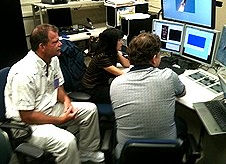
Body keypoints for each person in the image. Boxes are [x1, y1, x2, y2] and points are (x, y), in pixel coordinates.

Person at [4, 24, 104, 164]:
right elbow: (27, 115)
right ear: (42, 46)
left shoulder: (53, 59)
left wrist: (67, 101)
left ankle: (87, 152)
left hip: (49, 108)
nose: (60, 44)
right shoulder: (23, 73)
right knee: (67, 142)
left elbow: (57, 86)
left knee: (90, 110)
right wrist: (60, 120)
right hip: (27, 125)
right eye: (55, 42)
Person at [110, 32, 188, 159]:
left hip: (128, 155)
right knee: (181, 123)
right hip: (166, 154)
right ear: (153, 59)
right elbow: (182, 92)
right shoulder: (168, 75)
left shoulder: (116, 83)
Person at [81, 27, 130, 103]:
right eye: (119, 40)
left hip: (102, 84)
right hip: (92, 89)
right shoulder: (102, 57)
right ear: (112, 42)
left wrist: (117, 52)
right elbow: (121, 74)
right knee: (123, 93)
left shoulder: (111, 52)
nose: (122, 43)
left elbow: (126, 64)